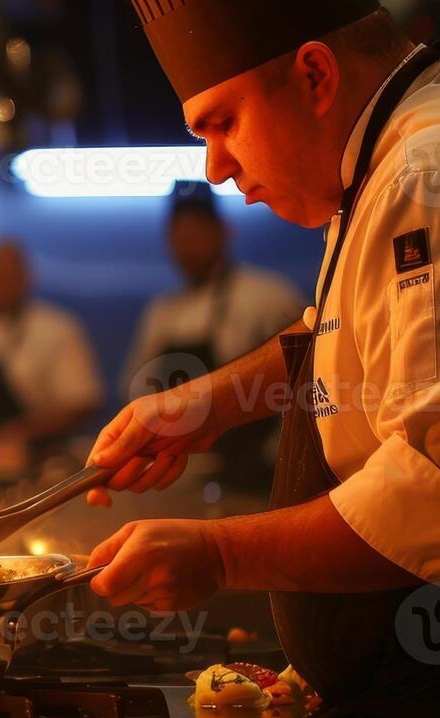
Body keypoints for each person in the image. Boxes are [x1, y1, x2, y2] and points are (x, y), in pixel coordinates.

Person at [87, 0, 440, 718]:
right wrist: (206, 403)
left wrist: (216, 557)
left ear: (314, 72)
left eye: (221, 124)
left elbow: (438, 489)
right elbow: (334, 339)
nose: (214, 168)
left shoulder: (433, 171)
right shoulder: (378, 165)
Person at [125, 183, 306, 490]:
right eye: (179, 237)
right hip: (182, 477)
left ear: (223, 232)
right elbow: (138, 390)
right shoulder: (162, 312)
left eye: (196, 234)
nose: (187, 246)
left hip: (258, 475)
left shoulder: (268, 295)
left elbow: (304, 380)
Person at [0, 240, 103, 448]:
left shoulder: (57, 328)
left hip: (47, 456)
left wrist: (24, 430)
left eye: (4, 276)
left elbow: (83, 404)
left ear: (25, 278)